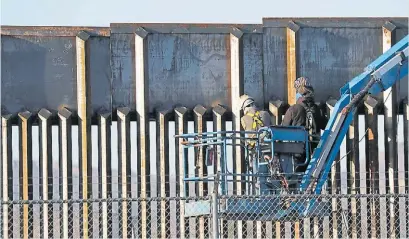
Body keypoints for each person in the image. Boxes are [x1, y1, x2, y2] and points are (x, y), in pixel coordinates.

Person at [282, 76, 327, 171]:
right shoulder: (318, 110)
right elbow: (325, 125)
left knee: (295, 178)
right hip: (314, 152)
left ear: (299, 93)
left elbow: (283, 130)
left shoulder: (293, 109)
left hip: (297, 152)